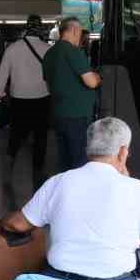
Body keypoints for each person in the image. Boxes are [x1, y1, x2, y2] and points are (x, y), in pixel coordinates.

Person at [0, 117, 140, 280]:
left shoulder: (58, 182)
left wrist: (1, 221)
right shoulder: (137, 188)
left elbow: (18, 224)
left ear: (88, 149)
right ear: (123, 152)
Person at [0, 15, 52, 186]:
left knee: (16, 136)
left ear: (25, 29)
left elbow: (2, 75)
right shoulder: (48, 49)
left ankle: (7, 174)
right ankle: (38, 175)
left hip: (19, 100)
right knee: (40, 138)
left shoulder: (12, 48)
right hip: (42, 99)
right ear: (40, 29)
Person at [43, 16, 101, 172]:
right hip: (77, 115)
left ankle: (65, 191)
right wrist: (97, 76)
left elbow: (49, 86)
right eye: (80, 32)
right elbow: (91, 82)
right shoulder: (72, 51)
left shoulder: (49, 54)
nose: (81, 36)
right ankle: (78, 194)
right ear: (74, 30)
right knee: (79, 161)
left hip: (59, 114)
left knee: (64, 160)